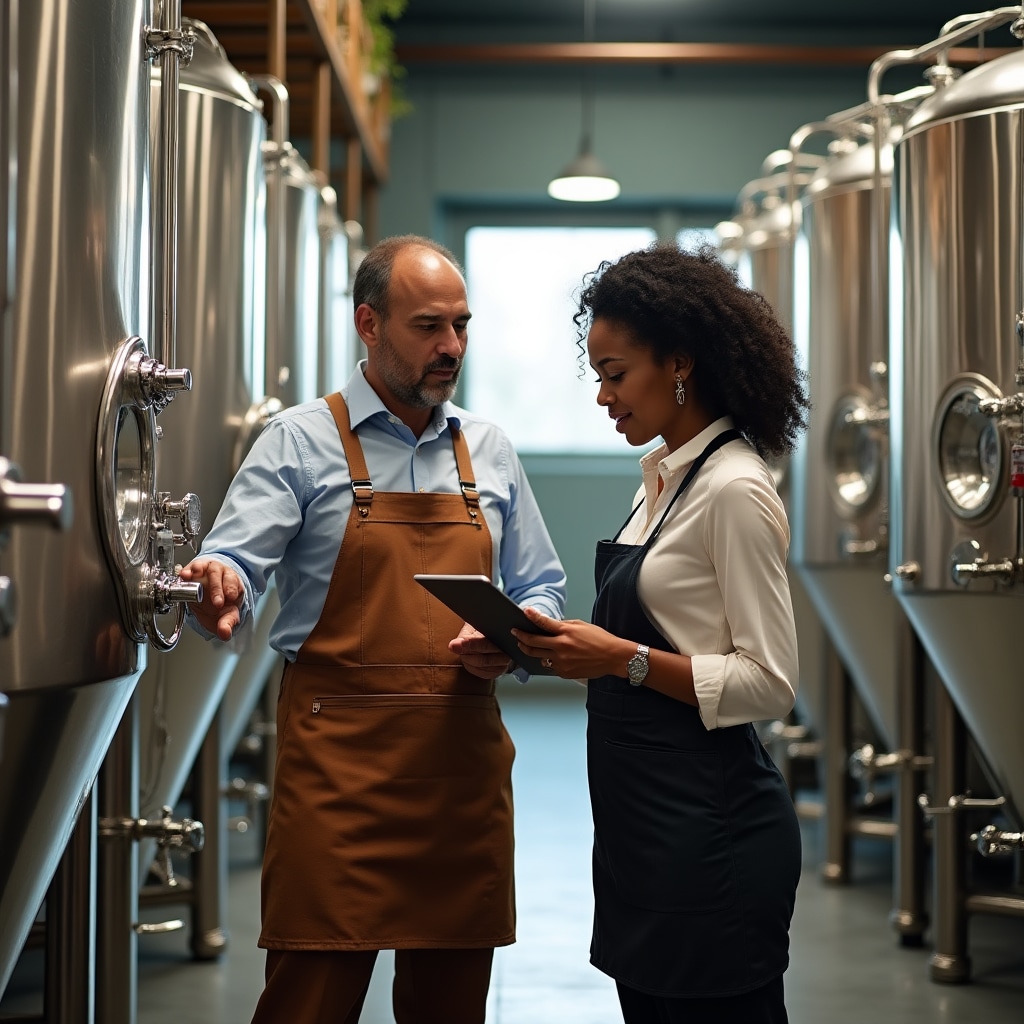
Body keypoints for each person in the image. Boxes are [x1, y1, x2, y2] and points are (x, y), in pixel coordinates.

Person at [180, 234, 566, 1024]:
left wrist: (521, 635)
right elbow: (233, 557)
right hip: (338, 778)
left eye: (461, 325)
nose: (450, 347)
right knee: (308, 1004)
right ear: (368, 323)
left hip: (460, 775)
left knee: (451, 1005)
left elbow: (541, 588)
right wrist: (221, 579)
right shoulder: (298, 440)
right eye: (428, 326)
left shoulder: (488, 451)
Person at [512, 242, 808, 1024]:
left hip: (711, 839)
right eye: (597, 376)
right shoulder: (664, 479)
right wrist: (537, 648)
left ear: (679, 364)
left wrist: (621, 659)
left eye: (616, 374)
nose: (604, 397)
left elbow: (770, 682)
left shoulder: (734, 488)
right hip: (641, 838)